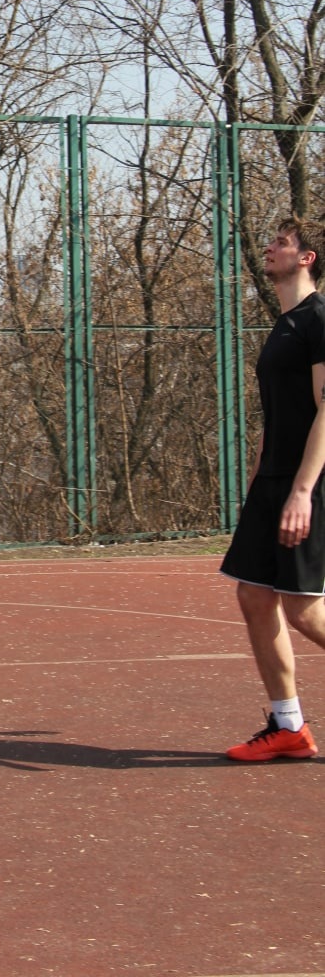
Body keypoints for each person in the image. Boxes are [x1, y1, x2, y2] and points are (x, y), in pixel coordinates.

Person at [222, 214, 325, 762]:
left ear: (306, 258)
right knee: (255, 595)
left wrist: (303, 491)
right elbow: (278, 414)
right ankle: (288, 727)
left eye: (281, 242)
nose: (269, 247)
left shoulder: (318, 318)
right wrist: (260, 476)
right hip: (274, 482)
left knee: (304, 610)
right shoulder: (284, 324)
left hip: (309, 480)